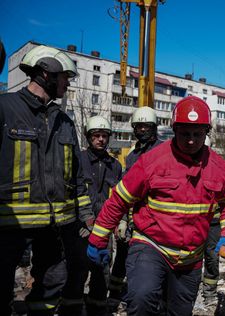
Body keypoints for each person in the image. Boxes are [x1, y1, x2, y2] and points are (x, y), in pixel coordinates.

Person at [88, 96, 225, 316]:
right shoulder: (152, 161)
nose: (191, 140)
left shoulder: (217, 166)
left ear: (206, 133)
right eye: (185, 133)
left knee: (179, 311)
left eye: (197, 134)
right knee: (142, 299)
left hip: (190, 258)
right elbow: (119, 200)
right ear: (174, 129)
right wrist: (98, 239)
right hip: (151, 245)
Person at [0, 44, 92, 315]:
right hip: (8, 226)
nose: (67, 83)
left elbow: (75, 174)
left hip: (54, 227)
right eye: (65, 76)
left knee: (52, 286)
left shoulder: (64, 121)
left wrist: (86, 214)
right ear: (46, 72)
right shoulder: (5, 108)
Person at [59, 116, 123, 315]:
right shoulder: (78, 159)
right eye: (96, 135)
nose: (101, 139)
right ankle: (71, 309)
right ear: (88, 137)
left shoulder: (115, 165)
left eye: (104, 136)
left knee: (102, 269)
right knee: (78, 269)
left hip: (105, 227)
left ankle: (97, 308)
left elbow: (120, 196)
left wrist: (121, 221)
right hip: (80, 226)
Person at [108, 105, 163, 303]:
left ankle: (151, 298)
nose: (142, 131)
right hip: (133, 219)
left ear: (154, 127)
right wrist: (122, 219)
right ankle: (116, 292)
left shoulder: (164, 151)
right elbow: (125, 189)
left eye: (146, 127)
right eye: (138, 127)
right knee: (123, 256)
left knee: (150, 262)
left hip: (156, 219)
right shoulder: (132, 156)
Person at [200, 135, 222, 306]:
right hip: (193, 223)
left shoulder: (217, 167)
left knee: (212, 258)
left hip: (213, 224)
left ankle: (210, 292)